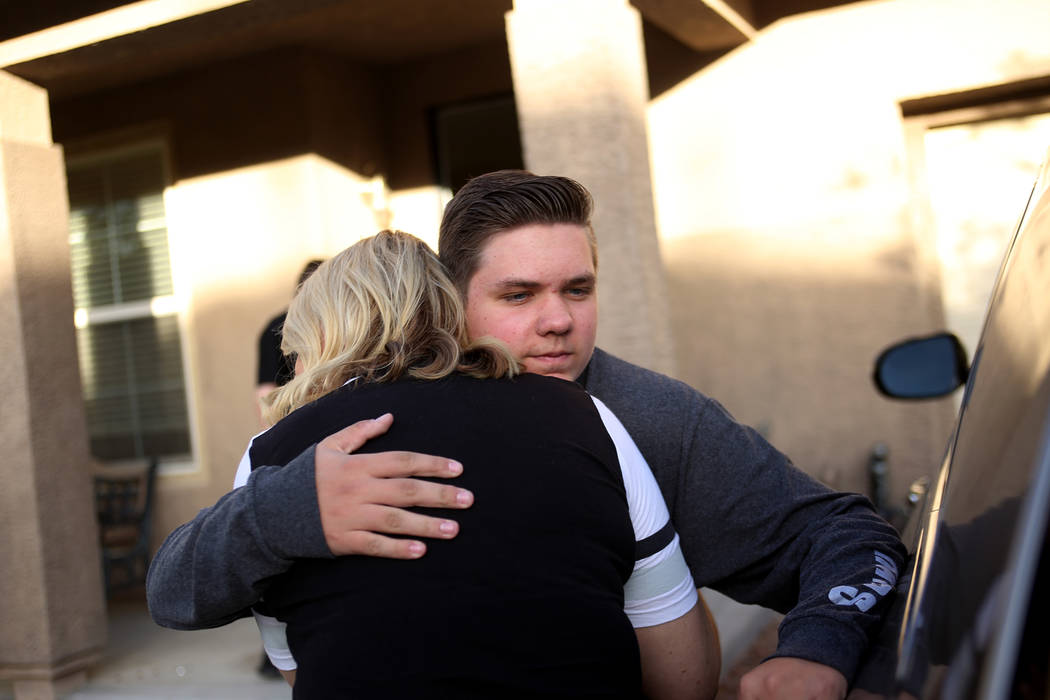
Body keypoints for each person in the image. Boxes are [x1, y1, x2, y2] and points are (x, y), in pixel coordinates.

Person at [147, 171, 906, 699]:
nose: (557, 320)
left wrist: (815, 650)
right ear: (447, 303)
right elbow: (179, 588)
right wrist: (288, 511)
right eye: (519, 294)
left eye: (578, 289)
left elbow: (846, 534)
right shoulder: (348, 433)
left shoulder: (645, 417)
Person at [234, 230, 713, 698]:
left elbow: (301, 666)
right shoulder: (584, 414)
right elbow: (683, 679)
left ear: (320, 334)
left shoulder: (268, 457)